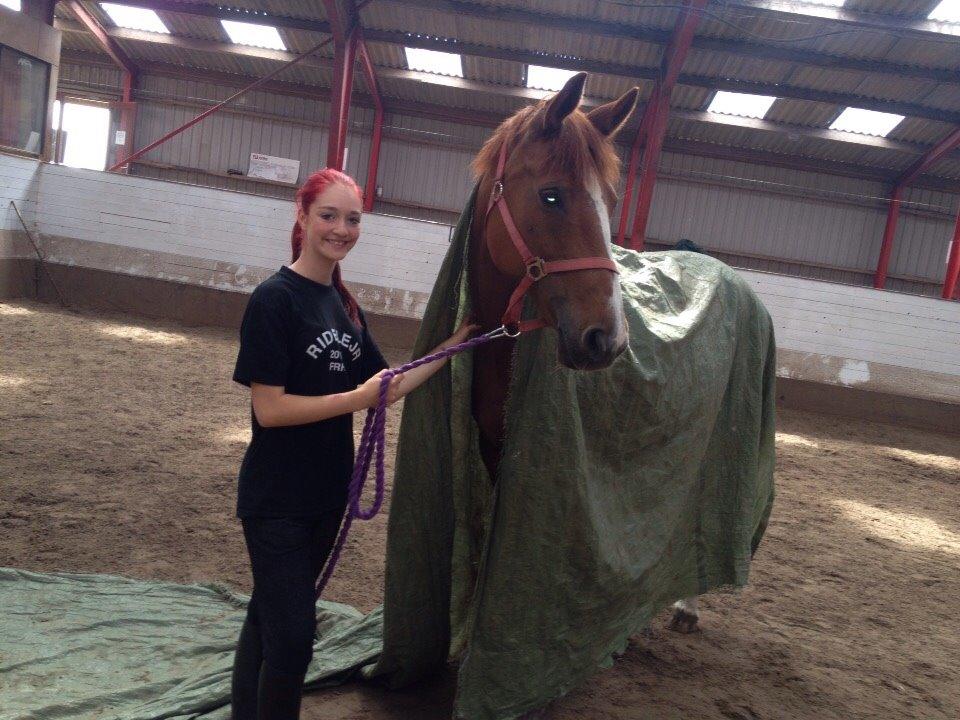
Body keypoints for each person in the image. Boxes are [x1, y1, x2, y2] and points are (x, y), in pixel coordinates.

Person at [229, 168, 476, 720]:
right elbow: (269, 410)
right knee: (293, 641)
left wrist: (457, 342)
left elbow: (384, 389)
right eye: (329, 216)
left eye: (353, 218)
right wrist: (353, 400)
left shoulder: (343, 306)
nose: (341, 229)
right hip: (276, 502)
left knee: (267, 618)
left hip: (325, 496)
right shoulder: (274, 300)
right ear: (302, 216)